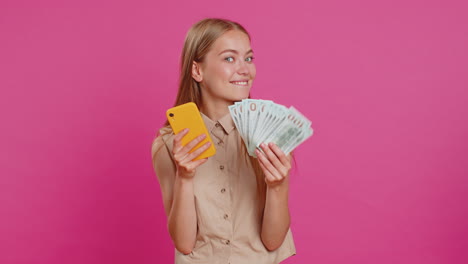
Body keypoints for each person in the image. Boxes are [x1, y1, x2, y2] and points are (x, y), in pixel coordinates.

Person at [151, 18, 296, 264]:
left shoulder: (270, 135)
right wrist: (184, 177)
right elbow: (184, 244)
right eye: (229, 58)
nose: (244, 69)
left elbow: (273, 241)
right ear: (197, 70)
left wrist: (277, 186)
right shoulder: (168, 145)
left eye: (248, 58)